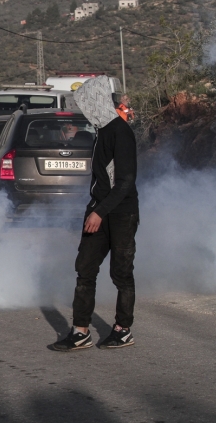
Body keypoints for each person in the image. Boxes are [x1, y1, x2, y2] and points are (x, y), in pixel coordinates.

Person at [53, 76, 139, 352]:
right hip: (99, 210)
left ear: (99, 102)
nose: (85, 111)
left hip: (121, 213)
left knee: (121, 273)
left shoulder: (121, 132)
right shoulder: (101, 131)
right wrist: (93, 209)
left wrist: (99, 212)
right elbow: (101, 179)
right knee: (85, 269)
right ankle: (80, 332)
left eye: (87, 104)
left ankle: (123, 329)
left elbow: (125, 181)